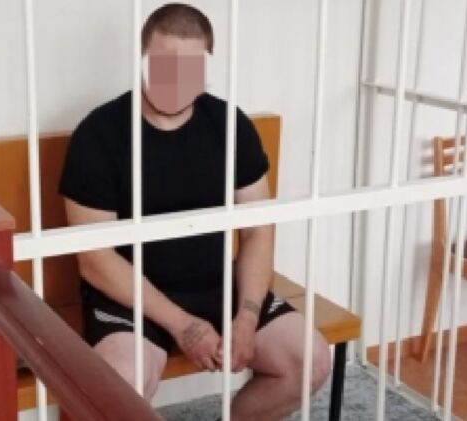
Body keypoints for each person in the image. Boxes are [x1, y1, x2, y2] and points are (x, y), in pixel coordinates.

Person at [58, 3, 330, 420]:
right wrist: (182, 324)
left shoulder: (229, 124)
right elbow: (95, 260)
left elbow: (258, 230)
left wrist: (247, 315)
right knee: (117, 387)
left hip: (216, 285)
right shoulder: (99, 134)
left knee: (310, 360)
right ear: (142, 60)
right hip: (131, 295)